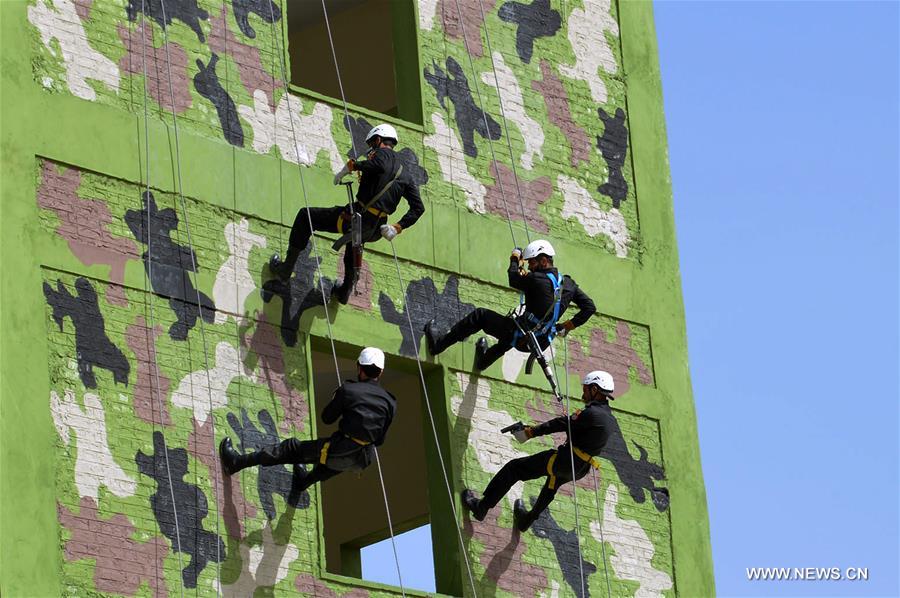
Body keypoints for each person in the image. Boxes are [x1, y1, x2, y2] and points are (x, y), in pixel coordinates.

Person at [269, 124, 425, 303]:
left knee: (306, 217)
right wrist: (397, 227)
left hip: (357, 218)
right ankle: (344, 292)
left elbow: (380, 165)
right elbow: (418, 208)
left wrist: (352, 166)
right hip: (376, 229)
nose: (371, 150)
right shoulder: (406, 174)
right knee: (354, 245)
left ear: (378, 140)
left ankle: (285, 269)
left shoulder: (383, 155)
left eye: (372, 144)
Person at [219, 347, 397, 492]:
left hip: (340, 449)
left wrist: (338, 397)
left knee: (291, 448)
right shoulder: (390, 402)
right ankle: (303, 482)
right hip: (362, 459)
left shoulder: (349, 390)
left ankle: (236, 463)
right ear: (380, 372)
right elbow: (379, 440)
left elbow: (327, 418)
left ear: (359, 367)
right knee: (330, 465)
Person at [460, 370, 616, 531]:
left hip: (564, 461)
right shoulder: (609, 418)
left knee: (514, 469)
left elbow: (561, 424)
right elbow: (584, 437)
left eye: (585, 389)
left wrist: (531, 432)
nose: (583, 394)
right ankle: (525, 521)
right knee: (551, 487)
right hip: (580, 469)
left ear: (594, 389)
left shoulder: (591, 413)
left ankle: (482, 507)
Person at [424, 239, 596, 370]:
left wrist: (514, 259)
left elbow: (514, 279)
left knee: (480, 316)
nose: (530, 267)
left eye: (532, 263)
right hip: (540, 341)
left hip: (523, 336)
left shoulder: (536, 279)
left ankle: (437, 345)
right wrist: (565, 326)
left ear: (544, 261)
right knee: (510, 330)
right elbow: (589, 307)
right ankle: (483, 362)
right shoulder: (568, 284)